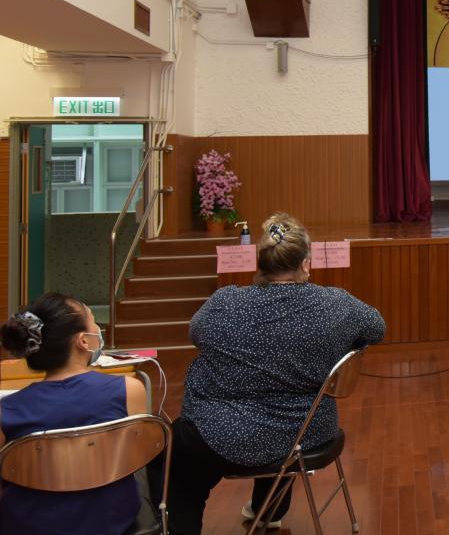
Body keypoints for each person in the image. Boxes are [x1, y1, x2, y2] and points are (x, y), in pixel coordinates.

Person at [160, 213, 386, 534]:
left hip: (224, 433)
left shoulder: (225, 303)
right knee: (278, 426)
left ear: (261, 264)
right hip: (304, 433)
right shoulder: (336, 305)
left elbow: (197, 334)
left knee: (177, 460)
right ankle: (269, 510)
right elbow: (377, 328)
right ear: (305, 264)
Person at [0, 294, 149, 535]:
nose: (98, 329)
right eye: (93, 321)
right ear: (83, 340)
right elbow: (137, 459)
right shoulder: (129, 391)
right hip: (111, 521)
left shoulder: (6, 411)